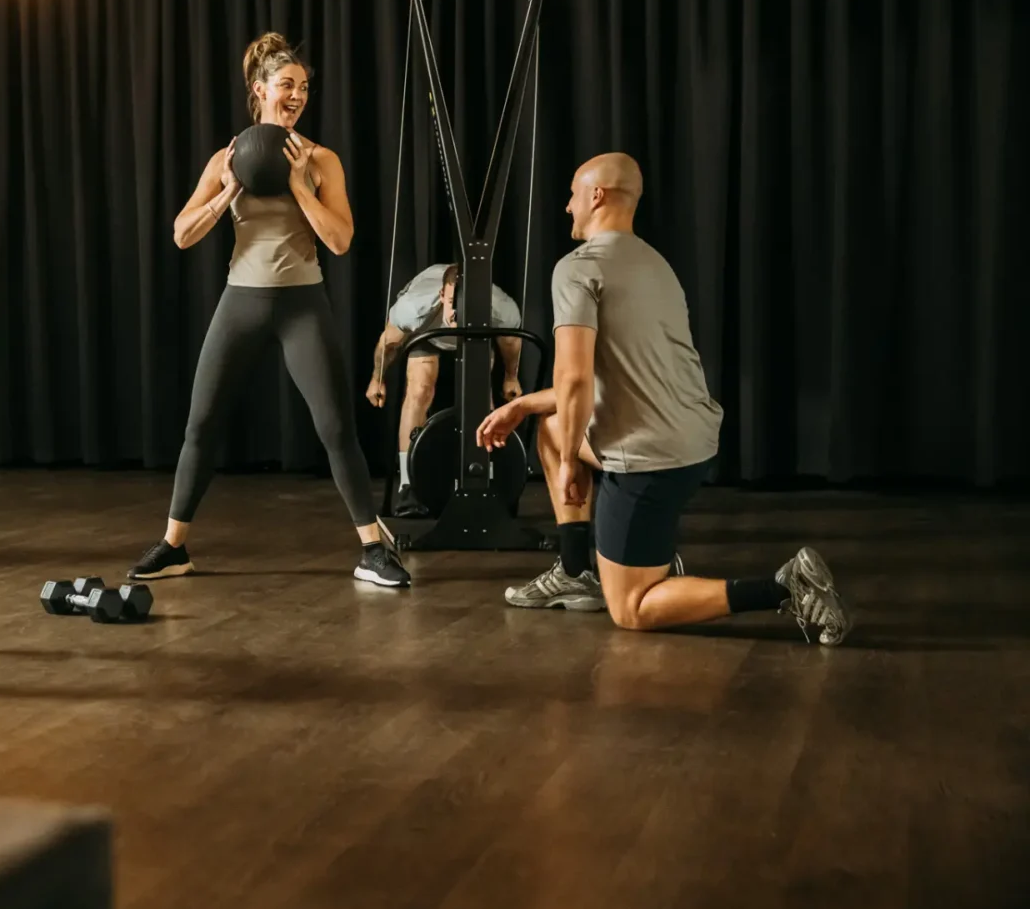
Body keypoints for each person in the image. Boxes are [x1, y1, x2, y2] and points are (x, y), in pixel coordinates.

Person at [478, 152, 850, 644]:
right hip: (692, 439)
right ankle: (575, 571)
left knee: (631, 609)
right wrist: (524, 405)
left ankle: (784, 588)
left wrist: (570, 461)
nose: (567, 206)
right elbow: (625, 377)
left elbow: (575, 380)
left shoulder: (578, 267)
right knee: (548, 426)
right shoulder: (654, 263)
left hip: (648, 459)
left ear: (596, 196)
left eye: (572, 194)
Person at [126, 32, 411, 589]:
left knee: (335, 427)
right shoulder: (228, 157)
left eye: (304, 88)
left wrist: (303, 187)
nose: (298, 95)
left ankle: (372, 549)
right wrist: (226, 188)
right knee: (201, 425)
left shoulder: (321, 158)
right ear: (260, 90)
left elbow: (341, 241)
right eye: (287, 85)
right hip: (242, 300)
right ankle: (174, 546)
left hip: (302, 301)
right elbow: (183, 234)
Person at [365, 262, 524, 516]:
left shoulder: (499, 309)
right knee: (419, 388)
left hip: (477, 331)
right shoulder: (414, 308)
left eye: (466, 304)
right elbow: (388, 344)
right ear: (442, 296)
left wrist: (510, 377)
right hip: (429, 332)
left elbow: (510, 343)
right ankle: (409, 485)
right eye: (453, 303)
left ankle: (488, 479)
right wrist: (377, 378)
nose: (458, 313)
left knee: (482, 397)